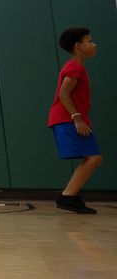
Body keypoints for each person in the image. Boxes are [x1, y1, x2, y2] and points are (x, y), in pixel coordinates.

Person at [48, 27, 103, 214]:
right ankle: (67, 197)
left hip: (71, 119)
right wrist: (77, 119)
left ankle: (68, 196)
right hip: (67, 119)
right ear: (78, 46)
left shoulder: (76, 67)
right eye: (89, 41)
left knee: (93, 158)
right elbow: (64, 94)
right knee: (94, 158)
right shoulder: (74, 67)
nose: (93, 44)